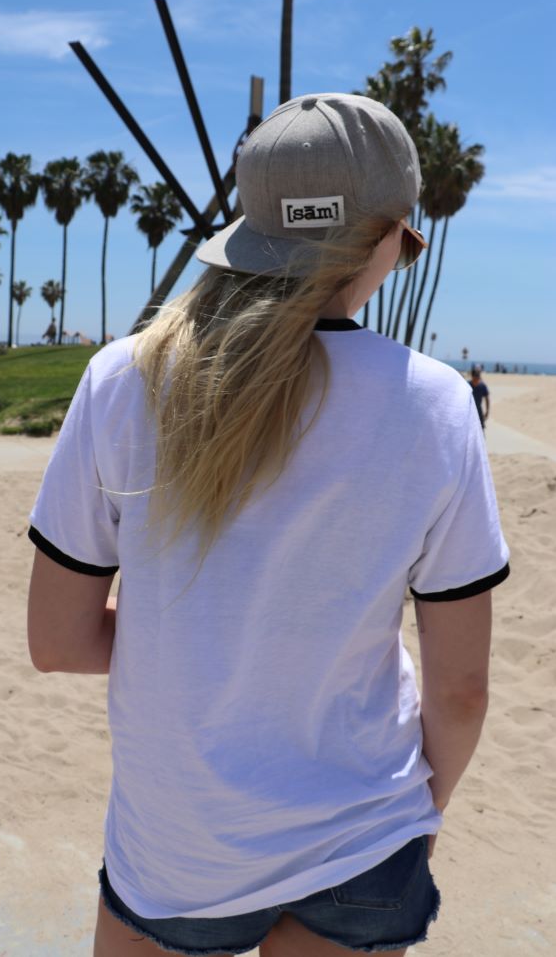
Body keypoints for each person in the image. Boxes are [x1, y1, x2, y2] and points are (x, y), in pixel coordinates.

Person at [27, 93, 510, 957]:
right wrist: (418, 820)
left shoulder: (120, 379)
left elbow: (57, 640)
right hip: (362, 833)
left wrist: (197, 636)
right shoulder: (435, 405)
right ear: (389, 238)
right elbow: (462, 690)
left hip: (177, 842)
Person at [469, 365, 490, 429]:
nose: (477, 379)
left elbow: (487, 398)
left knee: (481, 429)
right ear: (472, 377)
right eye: (475, 378)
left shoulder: (482, 386)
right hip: (469, 411)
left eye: (478, 378)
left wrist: (487, 411)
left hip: (479, 411)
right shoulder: (467, 385)